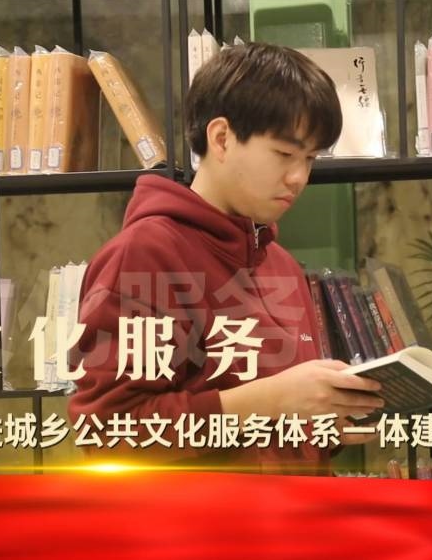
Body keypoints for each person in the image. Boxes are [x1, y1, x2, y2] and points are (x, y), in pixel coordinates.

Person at [68, 42, 383, 474]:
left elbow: (271, 431)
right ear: (221, 139)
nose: (299, 177)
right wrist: (270, 401)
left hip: (297, 513)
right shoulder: (145, 255)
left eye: (310, 158)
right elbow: (108, 432)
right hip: (206, 519)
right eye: (284, 154)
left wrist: (324, 424)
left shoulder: (281, 265)